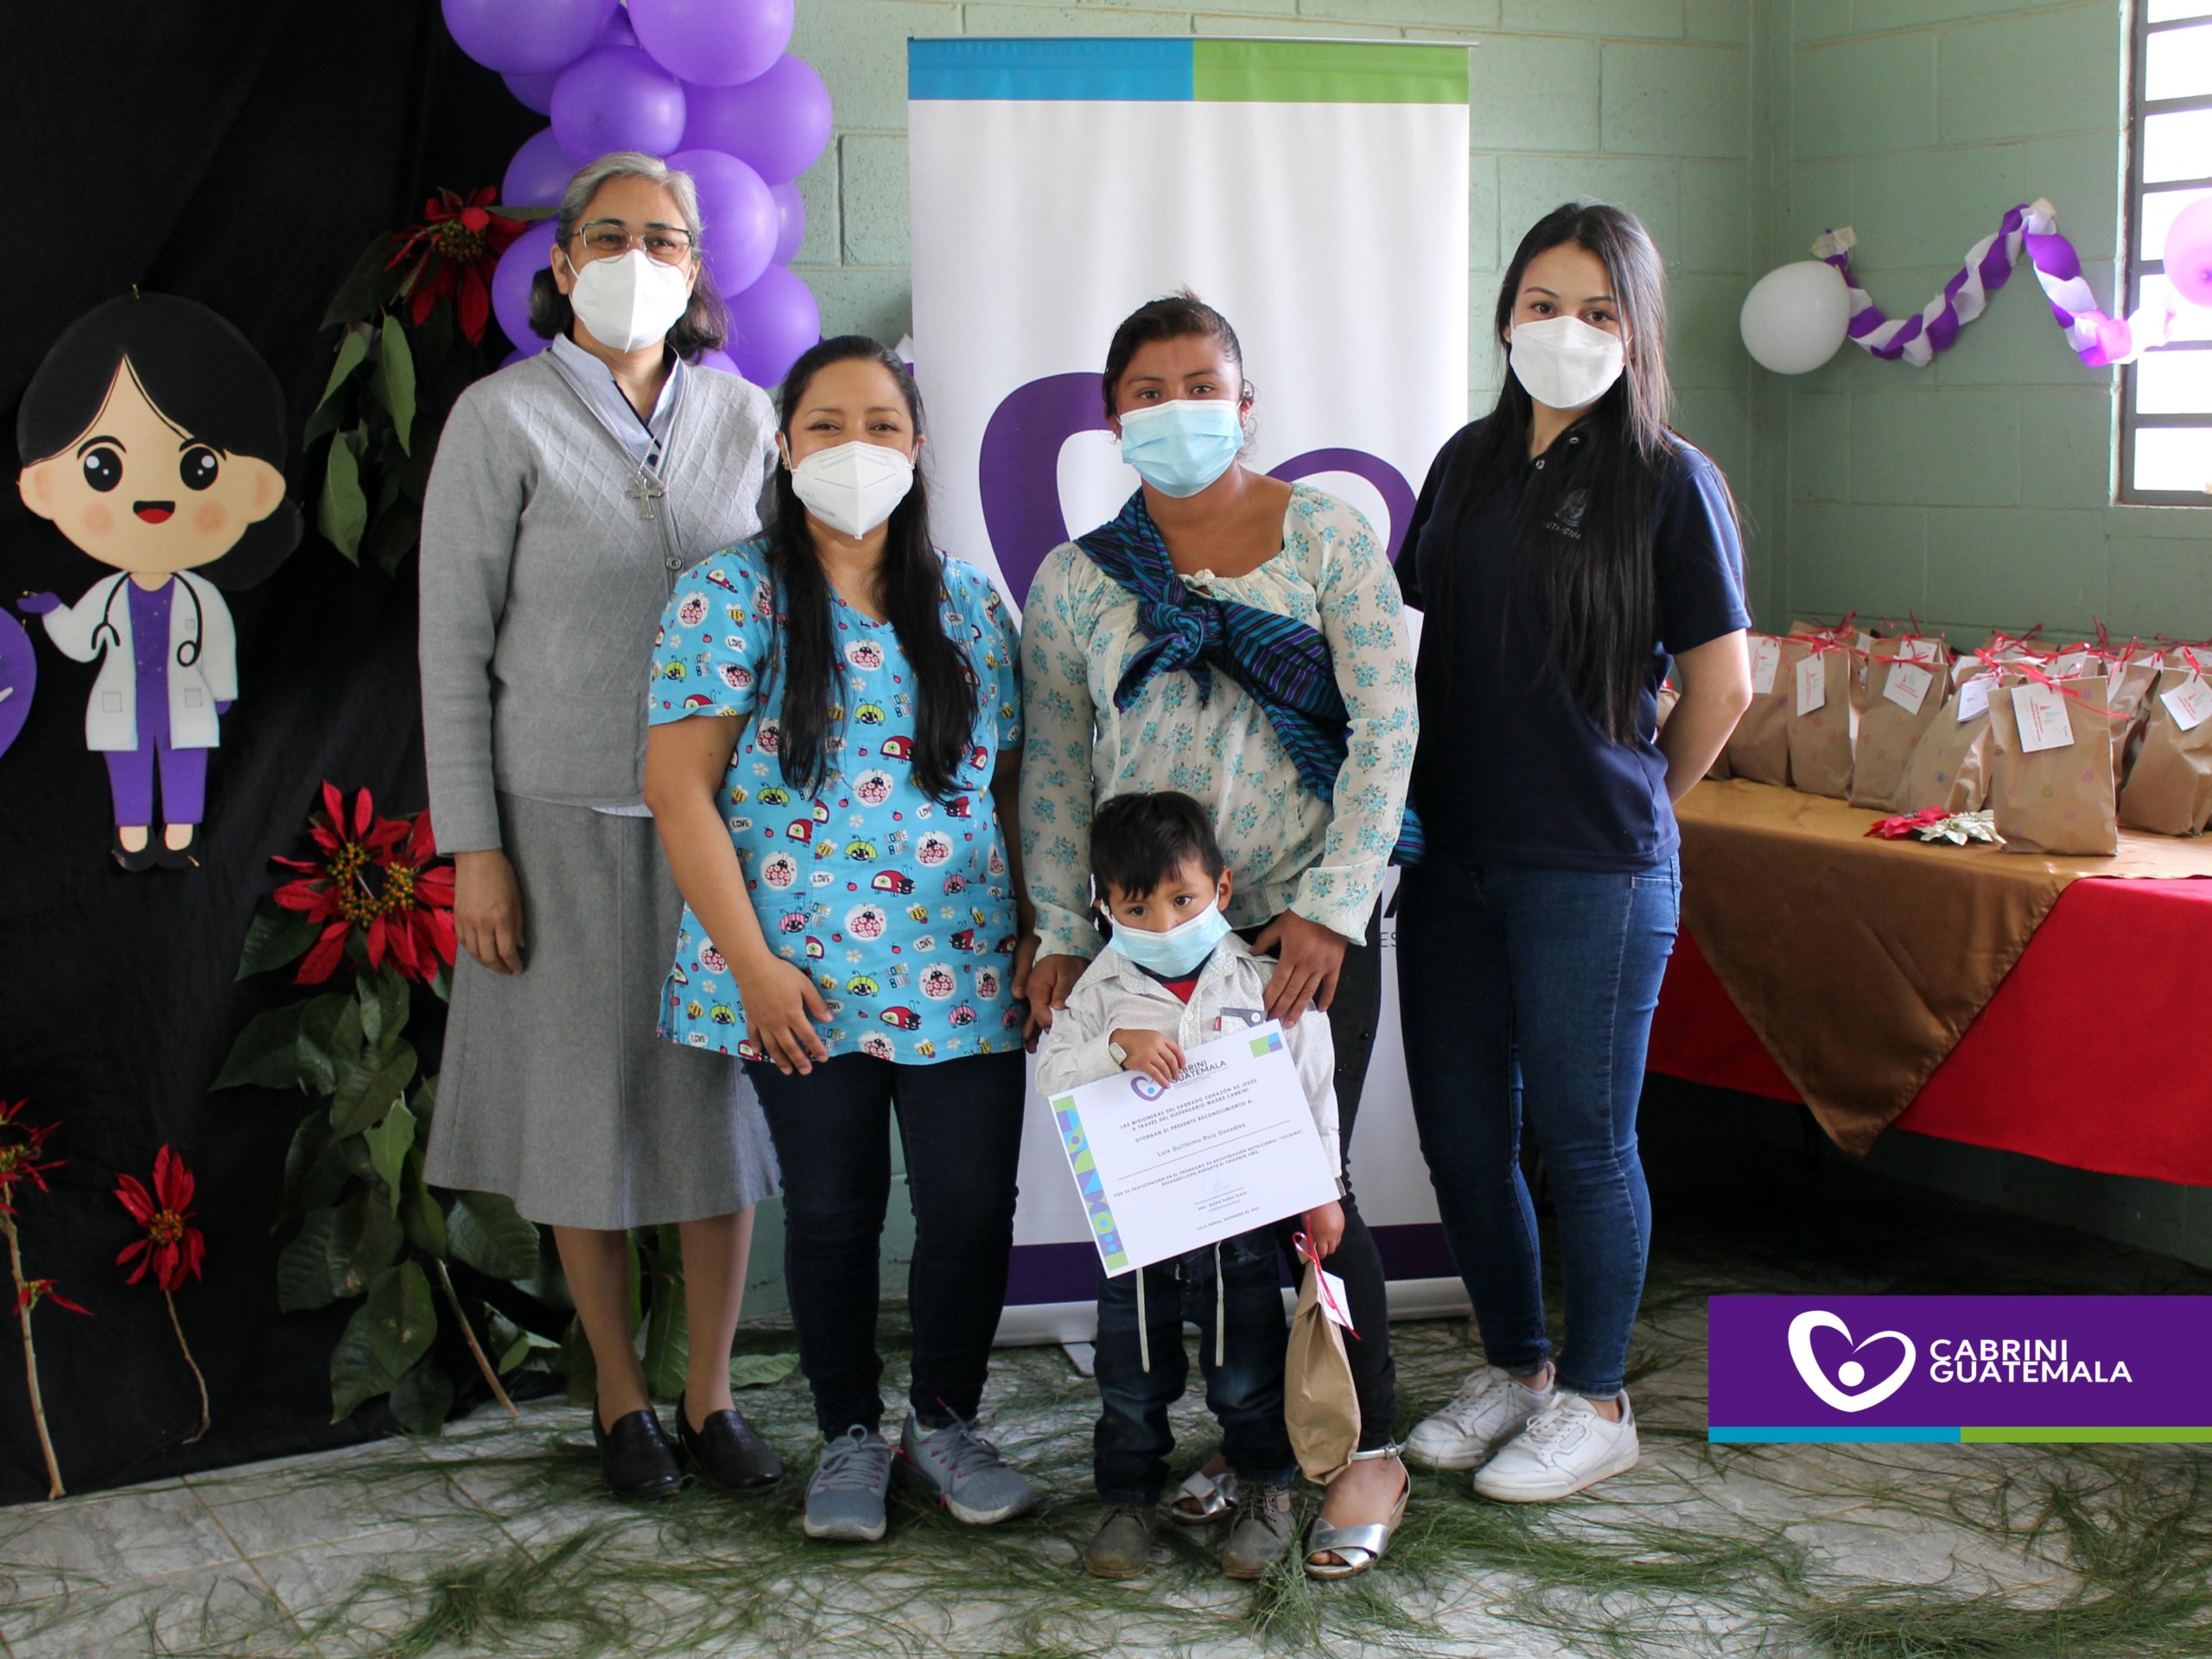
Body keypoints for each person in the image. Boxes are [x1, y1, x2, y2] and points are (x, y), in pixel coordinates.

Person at [1019, 292, 1418, 1575]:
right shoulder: (1081, 580)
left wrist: (1330, 908)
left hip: (1298, 930)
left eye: (1203, 385)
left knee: (1312, 1197)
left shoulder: (1329, 541)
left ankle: (1365, 1450)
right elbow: (1054, 772)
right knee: (1180, 1208)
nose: (1176, 408)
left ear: (1248, 406)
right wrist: (1055, 935)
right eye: (1147, 389)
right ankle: (1249, 1449)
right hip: (1142, 947)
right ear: (1112, 418)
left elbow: (1386, 729)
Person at [419, 152, 783, 1502]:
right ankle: (619, 1397)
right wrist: (477, 849)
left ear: (700, 272)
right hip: (551, 822)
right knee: (581, 1114)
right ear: (563, 262)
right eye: (612, 234)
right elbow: (451, 651)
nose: (641, 256)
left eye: (668, 238)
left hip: (722, 835)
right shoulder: (499, 421)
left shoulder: (748, 419)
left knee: (712, 1115)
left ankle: (710, 1394)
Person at [642, 334, 1036, 1547]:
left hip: (968, 972)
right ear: (784, 443)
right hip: (797, 981)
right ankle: (851, 1437)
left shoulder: (970, 605)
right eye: (825, 425)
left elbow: (1015, 789)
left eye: (881, 423)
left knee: (971, 1210)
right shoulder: (727, 595)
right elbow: (679, 791)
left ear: (917, 450)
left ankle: (947, 1424)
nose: (854, 448)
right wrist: (754, 969)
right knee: (832, 1213)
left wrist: (1039, 929)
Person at [1395, 203, 1752, 1502]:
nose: (1566, 330)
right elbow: (1408, 649)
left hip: (1595, 875)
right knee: (1462, 1139)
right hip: (1450, 861)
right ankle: (1520, 1365)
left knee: (1588, 1142)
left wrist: (1641, 797)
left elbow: (1724, 687)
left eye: (1600, 311)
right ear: (1505, 315)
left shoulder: (1671, 481)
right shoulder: (1465, 463)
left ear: (1638, 330)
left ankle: (1599, 1397)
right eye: (1543, 302)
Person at [1036, 792, 1380, 1584]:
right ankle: (1128, 1499)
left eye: (1181, 900)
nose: (1161, 923)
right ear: (1104, 906)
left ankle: (1265, 1490)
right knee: (1130, 1378)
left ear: (1222, 890)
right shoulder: (1095, 995)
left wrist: (1322, 1191)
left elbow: (1312, 1089)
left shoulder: (1263, 984)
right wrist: (1114, 1051)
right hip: (1138, 1235)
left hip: (1242, 1230)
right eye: (1137, 906)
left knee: (1245, 1374)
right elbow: (1056, 1076)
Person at [16, 293, 302, 869]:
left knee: (184, 760)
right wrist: (50, 612)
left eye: (199, 467)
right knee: (127, 764)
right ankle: (133, 832)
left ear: (260, 488)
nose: (151, 498)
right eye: (103, 468)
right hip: (126, 698)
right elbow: (82, 638)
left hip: (184, 700)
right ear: (44, 485)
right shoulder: (110, 594)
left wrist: (221, 691)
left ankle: (178, 831)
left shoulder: (202, 598)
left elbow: (218, 644)